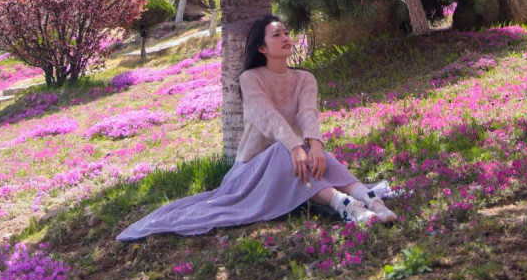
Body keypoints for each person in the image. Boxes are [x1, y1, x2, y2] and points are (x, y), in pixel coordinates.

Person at [116, 15, 396, 240]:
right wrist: (295, 146)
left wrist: (316, 146)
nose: (285, 38)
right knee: (284, 150)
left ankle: (370, 201)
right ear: (262, 48)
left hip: (295, 158)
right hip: (252, 170)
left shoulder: (304, 78)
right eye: (276, 35)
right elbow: (268, 117)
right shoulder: (250, 78)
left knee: (311, 152)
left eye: (287, 33)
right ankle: (346, 205)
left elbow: (308, 113)